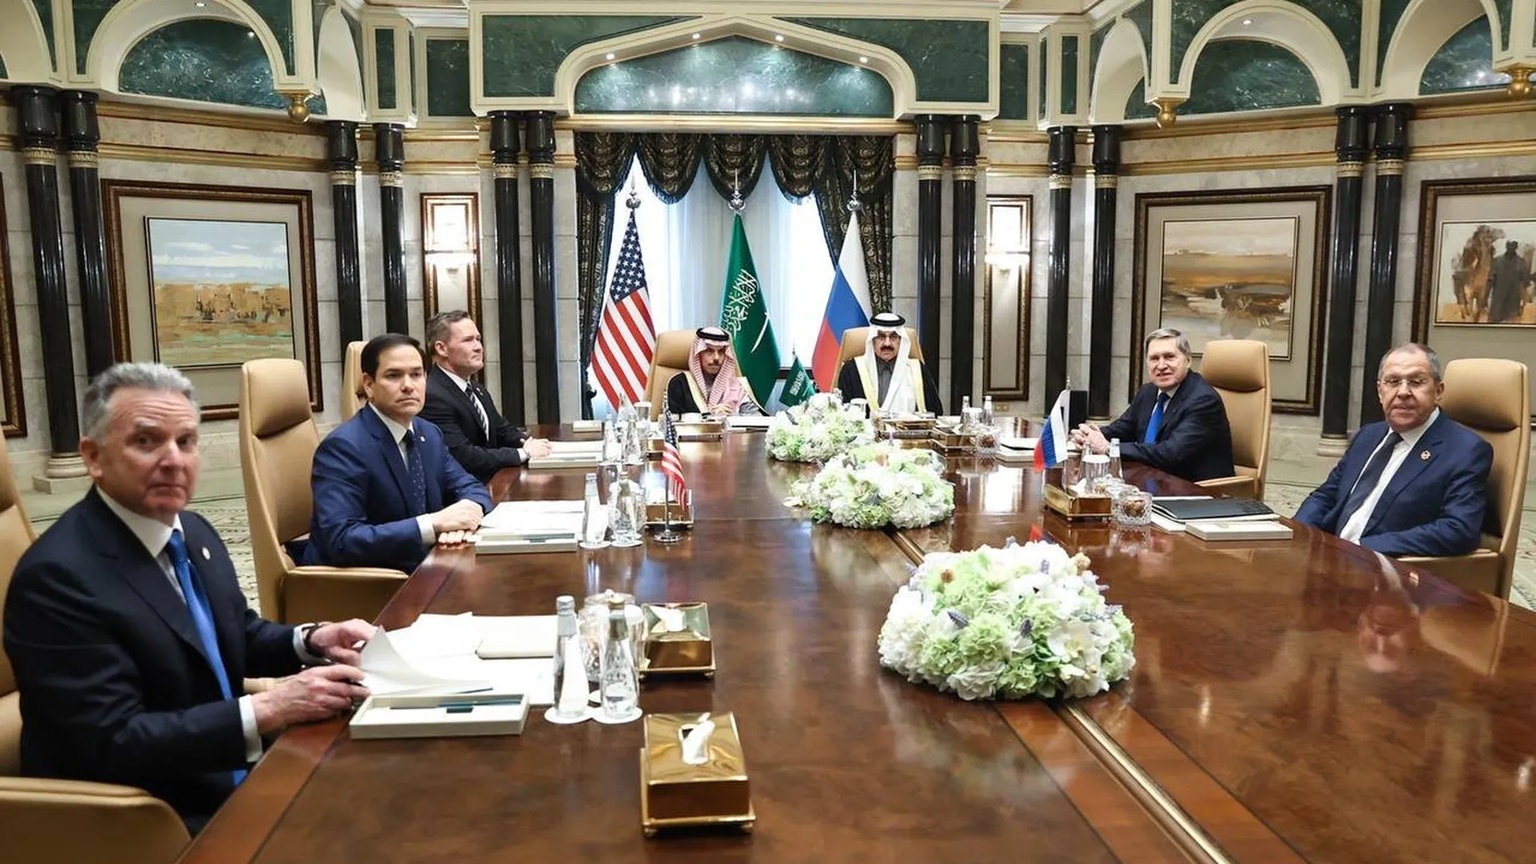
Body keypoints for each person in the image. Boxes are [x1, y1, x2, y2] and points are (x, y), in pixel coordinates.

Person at [3, 363, 374, 833]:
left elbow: (232, 634)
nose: (173, 460)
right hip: (151, 818)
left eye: (186, 441)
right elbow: (113, 741)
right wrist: (267, 709)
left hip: (230, 771)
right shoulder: (58, 578)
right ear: (93, 457)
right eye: (146, 441)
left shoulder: (193, 531)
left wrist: (312, 639)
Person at [302, 333, 494, 573]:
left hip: (426, 565)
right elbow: (341, 540)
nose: (408, 385)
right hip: (370, 580)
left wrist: (467, 512)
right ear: (369, 385)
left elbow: (469, 485)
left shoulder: (428, 433)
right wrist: (433, 524)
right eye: (393, 375)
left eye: (416, 374)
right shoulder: (344, 447)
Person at [1294, 343, 1490, 557]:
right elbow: (1327, 496)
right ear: (1380, 391)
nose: (1403, 392)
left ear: (1438, 391)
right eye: (1393, 382)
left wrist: (1360, 547)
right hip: (1329, 554)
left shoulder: (1465, 451)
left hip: (1383, 565)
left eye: (1416, 382)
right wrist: (1296, 534)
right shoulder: (1368, 435)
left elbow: (1458, 530)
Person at [1071, 328, 1234, 482]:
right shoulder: (1148, 392)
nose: (1161, 366)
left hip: (1194, 490)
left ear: (1188, 361)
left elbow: (1170, 453)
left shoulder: (1203, 400)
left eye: (1169, 357)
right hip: (1152, 481)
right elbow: (1123, 429)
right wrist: (1089, 437)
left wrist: (1108, 448)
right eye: (1154, 358)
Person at [419, 310, 552, 482]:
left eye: (478, 339)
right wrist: (523, 453)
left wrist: (532, 444)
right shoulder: (432, 395)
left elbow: (502, 429)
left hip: (492, 483)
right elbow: (462, 455)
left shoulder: (475, 388)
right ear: (441, 348)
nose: (478, 347)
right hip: (463, 492)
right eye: (468, 340)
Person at [834, 312, 943, 414]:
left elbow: (935, 413)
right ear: (872, 340)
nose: (887, 343)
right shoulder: (852, 370)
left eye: (893, 337)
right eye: (881, 337)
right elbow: (841, 414)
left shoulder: (917, 370)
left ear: (901, 341)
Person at [666, 326, 762, 416]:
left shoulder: (736, 385)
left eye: (721, 351)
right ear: (698, 354)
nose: (716, 358)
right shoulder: (679, 384)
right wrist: (711, 417)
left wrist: (732, 417)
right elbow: (673, 422)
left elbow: (757, 419)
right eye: (709, 351)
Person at [1487, 239, 1531, 324]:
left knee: (1511, 325)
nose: (1510, 247)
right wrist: (1485, 299)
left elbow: (1525, 283)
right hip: (1498, 301)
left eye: (1513, 245)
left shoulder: (1521, 263)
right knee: (1493, 325)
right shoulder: (1497, 261)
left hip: (1513, 301)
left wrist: (1523, 302)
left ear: (1516, 247)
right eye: (1509, 245)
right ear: (1506, 246)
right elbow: (1490, 280)